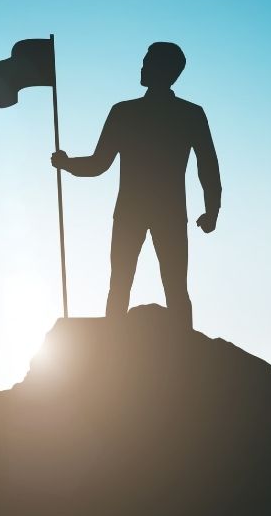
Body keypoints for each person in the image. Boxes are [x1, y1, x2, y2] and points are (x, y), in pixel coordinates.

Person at [51, 42, 221, 329]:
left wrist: (212, 209)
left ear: (164, 70)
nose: (142, 67)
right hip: (152, 212)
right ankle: (118, 351)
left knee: (155, 286)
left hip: (145, 212)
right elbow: (99, 164)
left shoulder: (141, 113)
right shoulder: (140, 112)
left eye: (147, 62)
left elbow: (207, 165)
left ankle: (179, 352)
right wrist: (67, 164)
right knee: (131, 284)